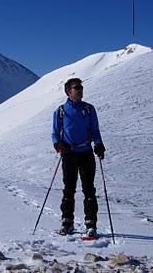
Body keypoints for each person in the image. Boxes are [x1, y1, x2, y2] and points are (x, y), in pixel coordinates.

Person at [51, 78, 106, 237]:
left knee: (89, 189)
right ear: (69, 91)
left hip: (86, 152)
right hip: (69, 154)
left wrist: (99, 144)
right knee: (69, 189)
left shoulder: (89, 109)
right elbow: (55, 133)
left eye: (81, 87)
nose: (80, 90)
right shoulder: (61, 111)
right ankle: (67, 223)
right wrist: (58, 144)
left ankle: (91, 225)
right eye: (77, 88)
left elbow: (95, 129)